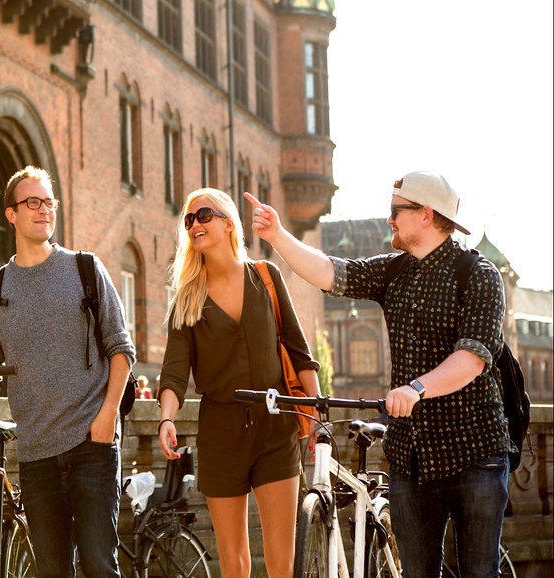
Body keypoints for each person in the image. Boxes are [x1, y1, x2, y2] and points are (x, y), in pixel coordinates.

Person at [247, 171, 512, 577]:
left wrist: (417, 388)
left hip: (474, 455)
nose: (388, 220)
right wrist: (278, 235)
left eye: (396, 211)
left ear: (426, 215)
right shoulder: (394, 271)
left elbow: (473, 357)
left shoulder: (479, 275)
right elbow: (331, 272)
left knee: (479, 571)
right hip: (411, 458)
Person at [0, 166, 135, 577]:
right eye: (33, 202)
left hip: (91, 445)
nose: (44, 210)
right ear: (11, 213)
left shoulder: (85, 269)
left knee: (99, 564)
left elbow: (121, 348)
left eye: (49, 202)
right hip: (37, 454)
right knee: (52, 571)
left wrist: (107, 416)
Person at [156, 188, 319, 578]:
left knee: (281, 563)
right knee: (235, 564)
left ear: (229, 223)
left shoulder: (266, 276)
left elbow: (298, 350)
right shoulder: (187, 298)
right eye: (189, 220)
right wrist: (166, 419)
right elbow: (174, 369)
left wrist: (315, 408)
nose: (195, 223)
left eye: (204, 214)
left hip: (276, 429)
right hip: (221, 435)